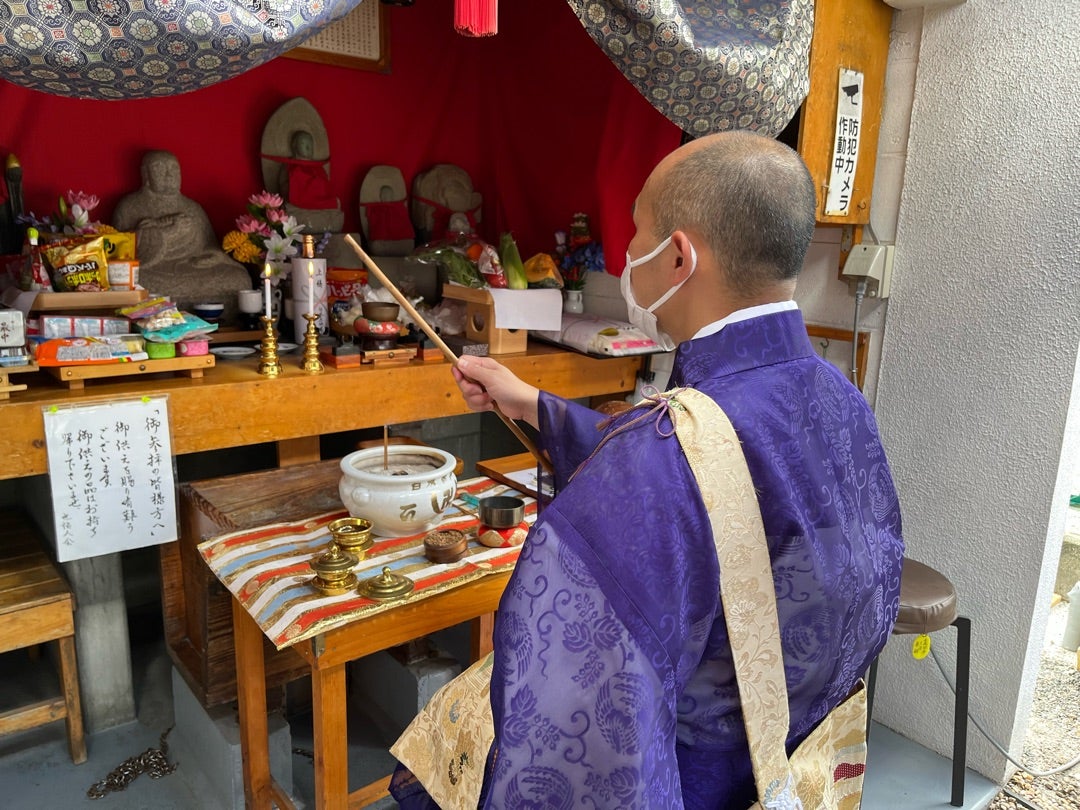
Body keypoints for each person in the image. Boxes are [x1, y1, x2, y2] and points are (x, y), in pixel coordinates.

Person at [390, 130, 905, 808]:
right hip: (797, 752)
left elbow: (577, 716)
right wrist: (531, 403)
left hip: (694, 778)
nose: (625, 253)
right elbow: (709, 471)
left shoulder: (660, 451)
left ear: (679, 257)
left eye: (635, 232)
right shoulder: (839, 396)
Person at [112, 150, 250, 318]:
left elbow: (210, 245)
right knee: (135, 282)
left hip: (191, 267)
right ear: (146, 174)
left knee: (238, 278)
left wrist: (215, 257)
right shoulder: (130, 206)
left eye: (173, 169)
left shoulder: (192, 208)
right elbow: (122, 251)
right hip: (153, 270)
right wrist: (168, 233)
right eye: (160, 168)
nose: (169, 175)